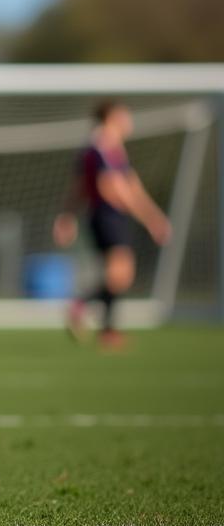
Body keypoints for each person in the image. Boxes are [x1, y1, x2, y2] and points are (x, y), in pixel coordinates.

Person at [53, 100, 171, 348]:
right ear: (110, 117)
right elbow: (112, 188)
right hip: (106, 216)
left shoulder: (112, 149)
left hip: (107, 217)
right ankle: (84, 308)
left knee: (117, 274)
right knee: (120, 273)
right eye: (124, 115)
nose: (128, 120)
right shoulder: (101, 148)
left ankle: (106, 329)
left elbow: (129, 185)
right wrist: (148, 217)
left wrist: (154, 216)